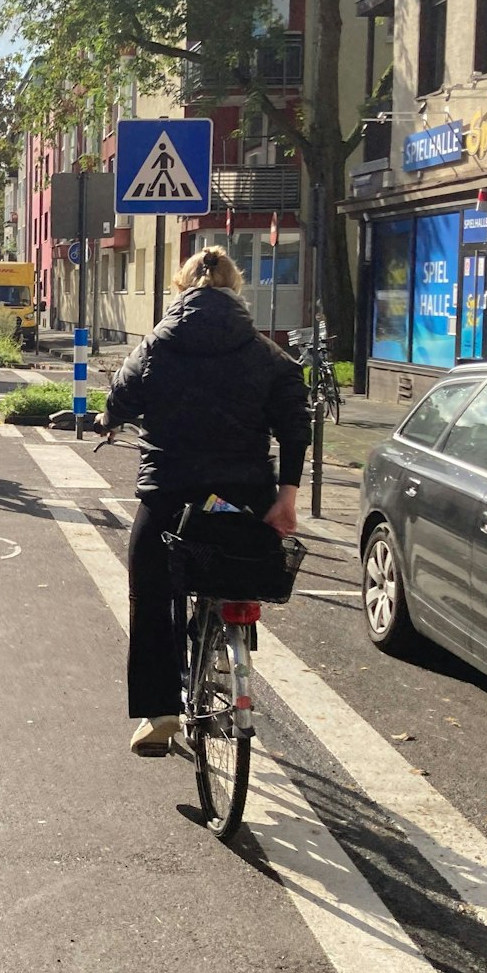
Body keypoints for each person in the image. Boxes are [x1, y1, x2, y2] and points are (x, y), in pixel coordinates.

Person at [93, 246, 311, 756]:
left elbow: (121, 399)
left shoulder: (156, 346)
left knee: (150, 590)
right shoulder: (265, 352)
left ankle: (159, 712)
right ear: (237, 289)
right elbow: (296, 427)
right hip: (242, 498)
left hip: (172, 492)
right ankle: (224, 639)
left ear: (181, 289)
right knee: (239, 567)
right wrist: (287, 498)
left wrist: (106, 419)